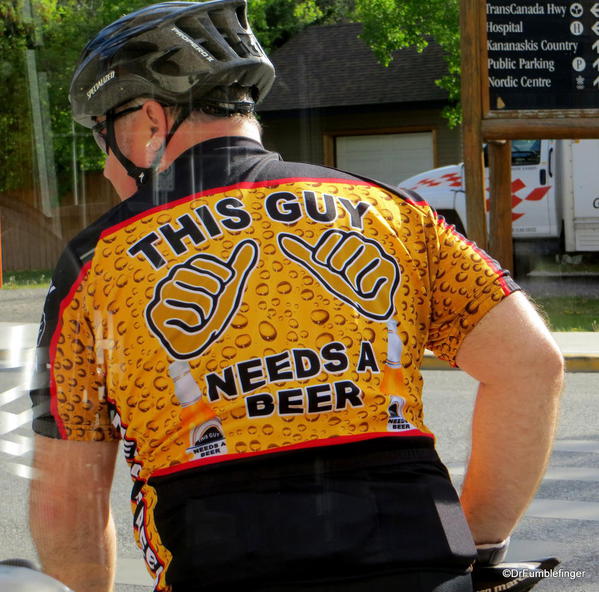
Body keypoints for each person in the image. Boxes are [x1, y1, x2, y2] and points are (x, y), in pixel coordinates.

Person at [28, 1, 564, 591]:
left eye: (106, 137)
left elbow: (68, 501)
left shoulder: (94, 264)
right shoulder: (393, 211)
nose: (106, 167)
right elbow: (532, 365)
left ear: (152, 119)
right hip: (424, 563)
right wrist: (475, 547)